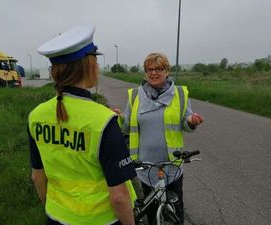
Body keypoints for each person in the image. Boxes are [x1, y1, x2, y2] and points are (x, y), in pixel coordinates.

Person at [28, 25, 136, 225]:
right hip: (101, 220)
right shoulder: (104, 121)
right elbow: (119, 197)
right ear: (90, 66)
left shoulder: (36, 116)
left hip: (56, 217)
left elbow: (37, 177)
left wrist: (51, 209)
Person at [113, 53, 204, 224]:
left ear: (167, 71)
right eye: (149, 70)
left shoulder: (180, 94)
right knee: (152, 211)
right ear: (145, 73)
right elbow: (127, 127)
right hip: (146, 166)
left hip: (173, 164)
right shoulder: (135, 96)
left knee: (176, 211)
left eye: (158, 69)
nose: (153, 73)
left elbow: (186, 123)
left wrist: (191, 121)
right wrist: (120, 118)